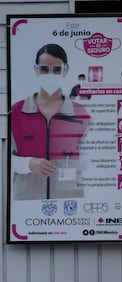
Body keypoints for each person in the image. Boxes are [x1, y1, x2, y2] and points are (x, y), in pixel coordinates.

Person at [11, 43, 90, 200]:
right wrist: (27, 164)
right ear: (36, 69)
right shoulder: (17, 111)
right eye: (44, 69)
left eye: (57, 69)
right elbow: (3, 157)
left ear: (66, 70)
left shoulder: (80, 113)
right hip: (28, 198)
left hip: (69, 200)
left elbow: (90, 158)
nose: (50, 75)